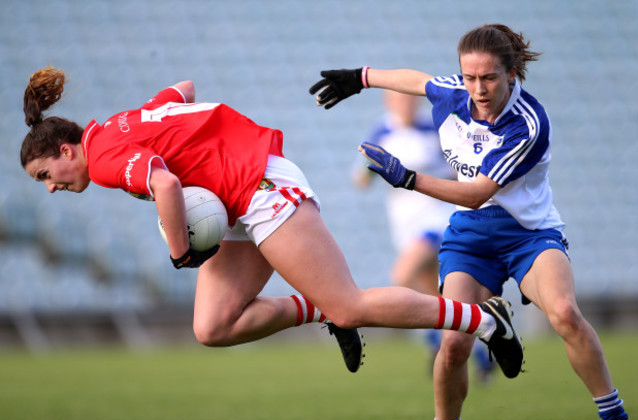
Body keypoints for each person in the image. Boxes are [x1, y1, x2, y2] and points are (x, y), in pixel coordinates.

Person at [20, 67, 523, 383]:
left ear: (66, 151)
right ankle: (314, 310)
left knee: (349, 306)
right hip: (236, 201)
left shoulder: (105, 158)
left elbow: (166, 186)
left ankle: (483, 320)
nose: (50, 186)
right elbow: (184, 87)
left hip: (260, 187)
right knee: (212, 326)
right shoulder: (114, 127)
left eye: (47, 175)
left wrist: (181, 253)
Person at [309, 23, 629, 420]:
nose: (478, 89)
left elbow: (477, 192)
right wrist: (361, 78)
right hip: (471, 236)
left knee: (564, 314)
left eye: (489, 77)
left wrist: (409, 178)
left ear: (511, 74)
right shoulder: (455, 93)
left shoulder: (526, 123)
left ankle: (614, 415)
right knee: (455, 343)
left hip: (528, 235)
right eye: (470, 77)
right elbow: (420, 81)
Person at [355, 91, 494, 381]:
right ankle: (483, 347)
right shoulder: (382, 130)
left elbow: (462, 171)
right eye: (397, 100)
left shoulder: (434, 129)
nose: (403, 105)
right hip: (404, 223)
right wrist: (365, 174)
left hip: (436, 217)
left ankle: (435, 346)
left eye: (407, 99)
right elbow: (362, 176)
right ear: (387, 103)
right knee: (438, 299)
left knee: (403, 274)